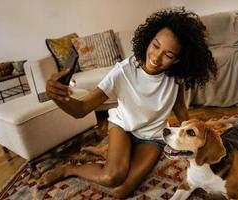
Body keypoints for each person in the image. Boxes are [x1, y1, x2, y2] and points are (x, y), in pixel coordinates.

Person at [38, 7, 217, 198]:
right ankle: (69, 169)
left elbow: (180, 107)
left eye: (169, 55)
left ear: (178, 59)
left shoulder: (176, 77)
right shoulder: (122, 72)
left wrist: (190, 139)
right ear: (148, 39)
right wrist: (56, 95)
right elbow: (81, 109)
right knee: (112, 176)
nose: (156, 57)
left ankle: (111, 154)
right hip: (123, 127)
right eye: (155, 46)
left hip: (153, 137)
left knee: (119, 191)